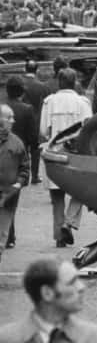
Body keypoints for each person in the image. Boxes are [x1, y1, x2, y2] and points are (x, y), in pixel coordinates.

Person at [40, 68, 92, 247]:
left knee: (57, 196)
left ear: (59, 82)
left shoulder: (50, 102)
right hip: (76, 155)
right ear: (75, 82)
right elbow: (89, 129)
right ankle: (68, 222)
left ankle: (59, 237)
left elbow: (43, 131)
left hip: (54, 153)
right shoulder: (82, 102)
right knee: (81, 191)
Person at [0, 104, 29, 261]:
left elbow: (25, 169)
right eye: (9, 117)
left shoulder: (17, 143)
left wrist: (18, 183)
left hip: (8, 197)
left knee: (1, 239)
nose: (13, 120)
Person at [22, 60, 48, 183]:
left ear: (24, 69)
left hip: (20, 120)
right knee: (35, 150)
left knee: (22, 149)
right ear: (36, 70)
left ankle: (22, 175)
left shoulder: (19, 83)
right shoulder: (41, 86)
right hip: (36, 121)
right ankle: (35, 176)